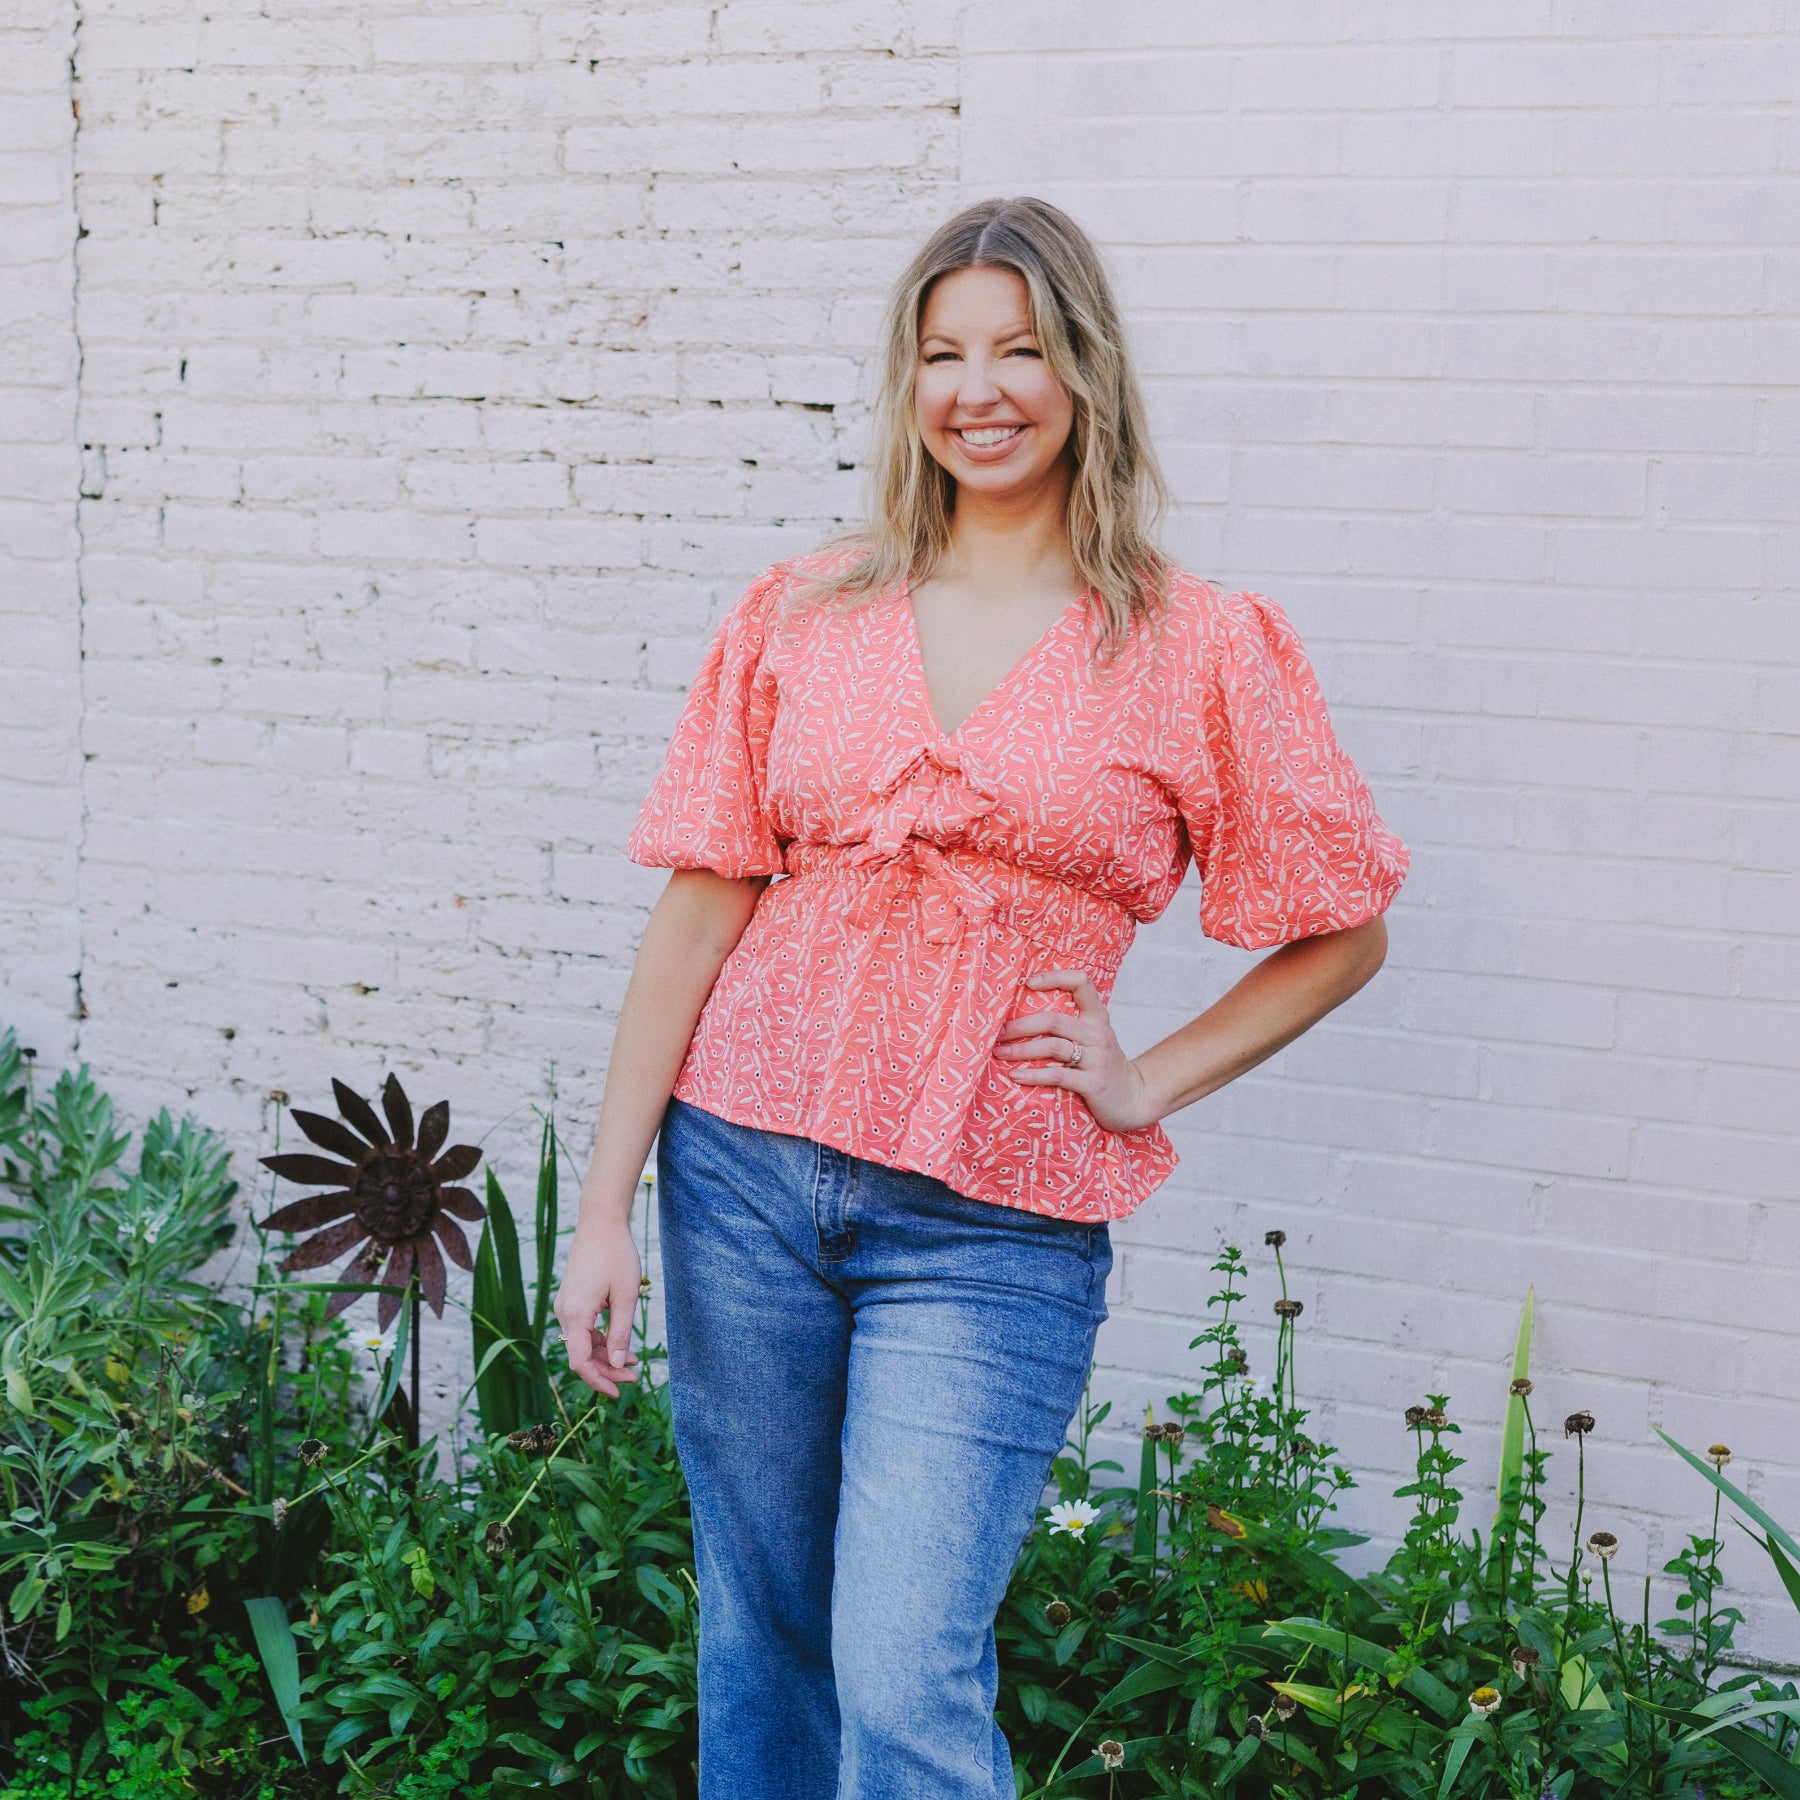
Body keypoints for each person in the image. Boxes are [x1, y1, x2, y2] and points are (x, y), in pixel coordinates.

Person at [554, 195, 1409, 1800]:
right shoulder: (801, 611)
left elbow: (1341, 928)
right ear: (909, 387)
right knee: (766, 1632)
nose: (981, 389)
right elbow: (697, 912)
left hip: (995, 1218)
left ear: (1084, 370)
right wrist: (605, 1209)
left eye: (1021, 348)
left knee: (903, 1668)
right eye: (943, 354)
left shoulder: (1194, 646)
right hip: (738, 1172)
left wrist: (1144, 1079)